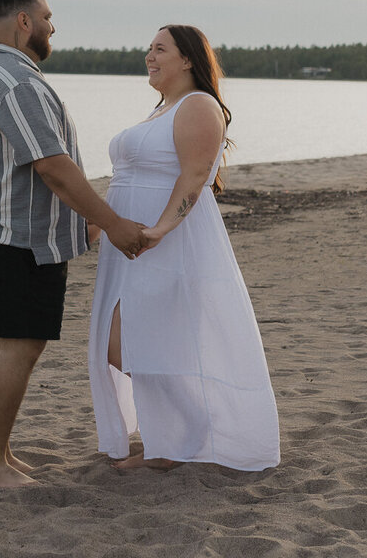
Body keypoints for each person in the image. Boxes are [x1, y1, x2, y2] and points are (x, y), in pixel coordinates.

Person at [0, 0, 146, 488]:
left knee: (0, 344)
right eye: (47, 16)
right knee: (20, 346)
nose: (52, 26)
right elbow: (54, 168)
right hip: (16, 238)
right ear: (24, 21)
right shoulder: (16, 81)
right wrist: (112, 222)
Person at [88, 25, 280, 471]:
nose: (149, 57)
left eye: (160, 50)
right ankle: (180, 435)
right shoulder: (162, 110)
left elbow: (194, 177)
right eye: (148, 50)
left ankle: (183, 435)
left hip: (167, 244)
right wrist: (95, 225)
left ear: (188, 60)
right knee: (125, 340)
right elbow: (125, 181)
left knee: (128, 340)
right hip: (128, 243)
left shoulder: (198, 105)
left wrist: (160, 230)